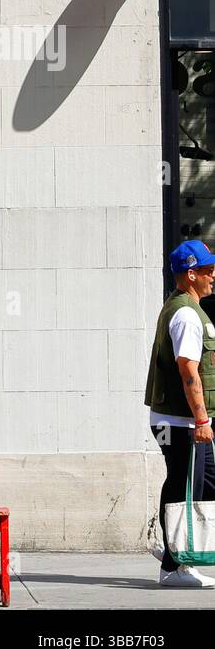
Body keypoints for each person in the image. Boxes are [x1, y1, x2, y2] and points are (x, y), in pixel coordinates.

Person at [145, 239, 215, 589]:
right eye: (207, 270)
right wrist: (202, 420)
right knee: (184, 488)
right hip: (182, 422)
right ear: (190, 274)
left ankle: (178, 549)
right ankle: (175, 566)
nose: (213, 276)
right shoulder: (186, 314)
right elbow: (189, 371)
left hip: (177, 420)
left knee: (195, 484)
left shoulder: (181, 307)